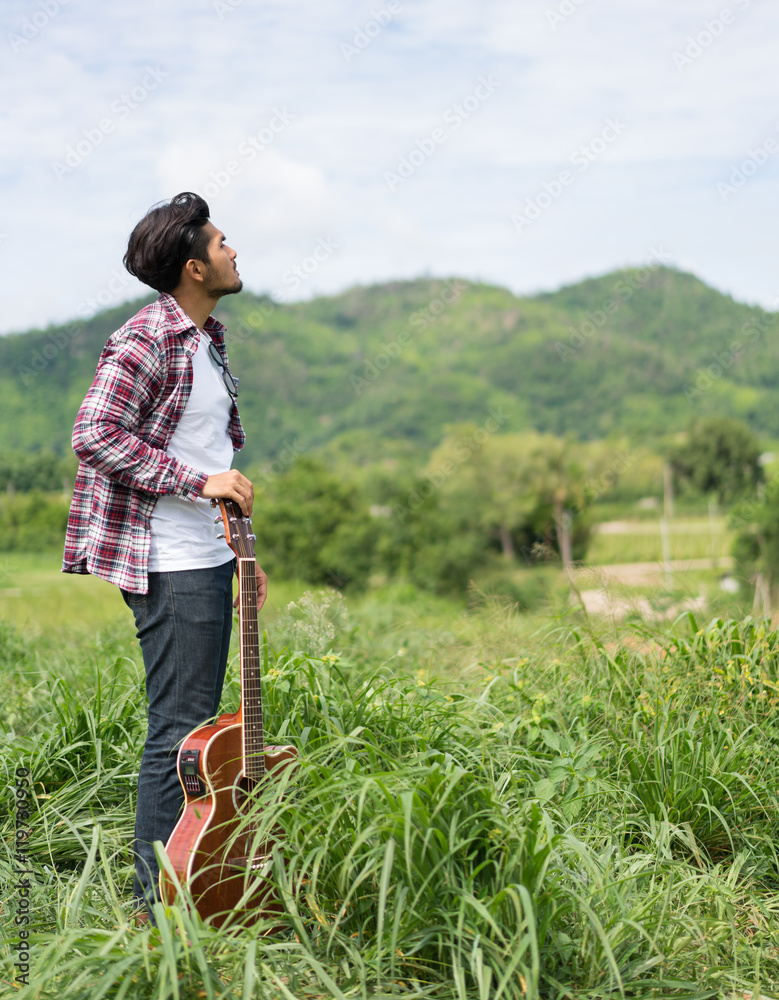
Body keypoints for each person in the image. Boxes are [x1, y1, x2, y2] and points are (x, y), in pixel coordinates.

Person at [62, 191, 266, 922]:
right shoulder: (146, 338)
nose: (233, 248)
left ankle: (196, 883)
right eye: (221, 243)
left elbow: (212, 457)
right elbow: (96, 434)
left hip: (205, 555)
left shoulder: (206, 341)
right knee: (180, 732)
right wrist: (195, 482)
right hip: (166, 560)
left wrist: (243, 554)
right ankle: (155, 907)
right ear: (193, 266)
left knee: (198, 729)